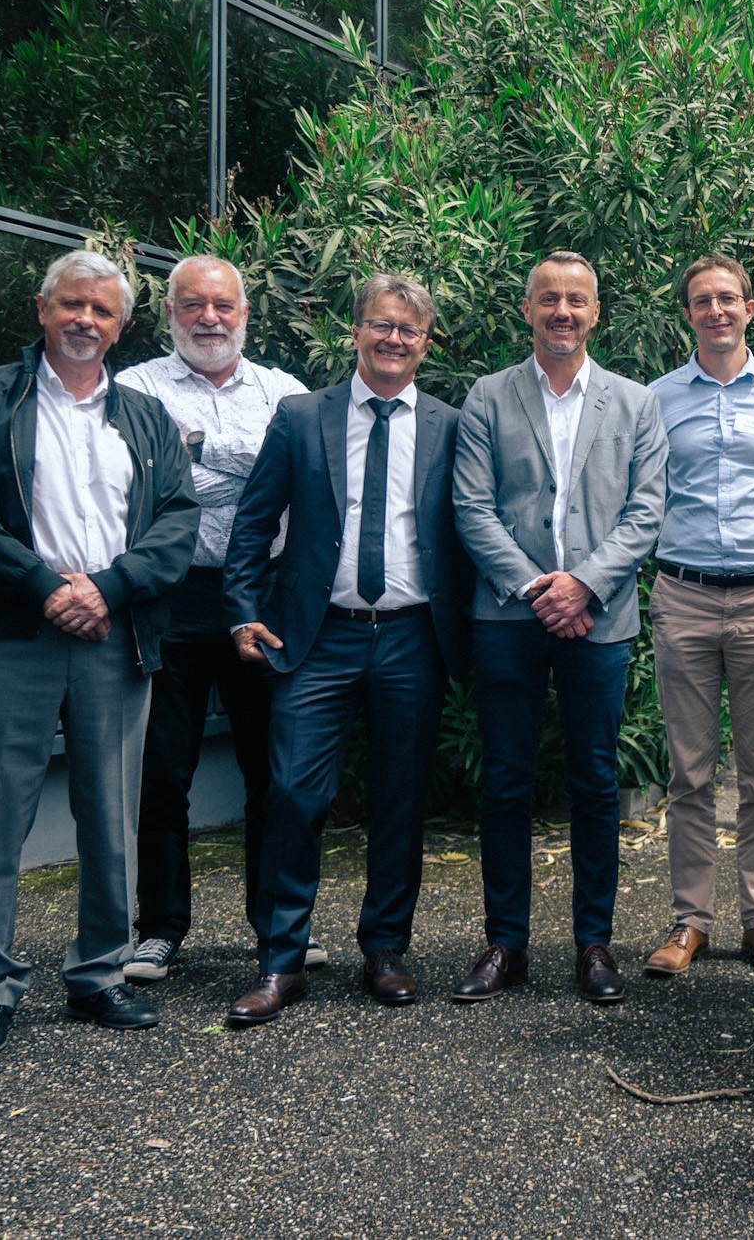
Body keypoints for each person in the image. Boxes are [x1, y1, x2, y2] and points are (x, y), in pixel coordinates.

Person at [0, 249, 199, 1058]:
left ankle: (99, 974)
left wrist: (108, 588)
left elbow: (177, 521)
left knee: (112, 816)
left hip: (113, 635)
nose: (86, 319)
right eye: (72, 304)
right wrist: (44, 586)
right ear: (43, 309)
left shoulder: (145, 416)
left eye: (102, 310)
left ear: (120, 327)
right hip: (13, 635)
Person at [221, 273, 473, 1027]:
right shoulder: (301, 417)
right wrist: (241, 613)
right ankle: (280, 959)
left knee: (400, 797)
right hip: (317, 636)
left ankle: (386, 949)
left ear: (425, 344)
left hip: (412, 636)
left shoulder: (451, 425)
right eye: (381, 325)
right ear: (356, 331)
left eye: (409, 330)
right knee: (294, 792)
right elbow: (252, 522)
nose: (394, 339)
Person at [451, 251, 667, 1006]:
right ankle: (505, 944)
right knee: (506, 780)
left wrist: (584, 585)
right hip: (508, 614)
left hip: (599, 617)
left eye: (577, 299)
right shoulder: (488, 396)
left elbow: (646, 511)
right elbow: (472, 507)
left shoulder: (635, 403)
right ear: (528, 309)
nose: (563, 311)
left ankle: (593, 943)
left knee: (595, 782)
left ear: (596, 313)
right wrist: (536, 588)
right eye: (549, 298)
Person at [114, 255, 311, 982]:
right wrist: (254, 470)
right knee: (164, 770)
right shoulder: (135, 389)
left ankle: (277, 926)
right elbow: (147, 482)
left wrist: (197, 447)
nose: (209, 318)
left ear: (245, 313)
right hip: (171, 594)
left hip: (264, 593)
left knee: (274, 769)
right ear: (169, 312)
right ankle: (161, 926)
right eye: (193, 304)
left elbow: (299, 477)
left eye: (223, 305)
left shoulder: (286, 393)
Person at [644, 256, 754, 979]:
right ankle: (691, 920)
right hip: (684, 593)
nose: (716, 310)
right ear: (687, 313)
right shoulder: (656, 399)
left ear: (749, 308)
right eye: (702, 300)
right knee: (689, 771)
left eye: (728, 298)